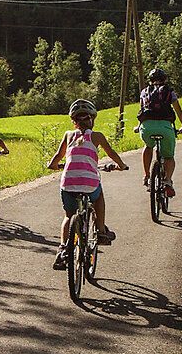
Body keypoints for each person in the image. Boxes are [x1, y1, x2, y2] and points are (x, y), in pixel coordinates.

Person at [46, 98, 124, 269]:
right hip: (89, 184)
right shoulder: (97, 136)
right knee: (99, 196)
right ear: (92, 119)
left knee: (68, 216)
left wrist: (54, 166)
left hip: (68, 184)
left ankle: (62, 249)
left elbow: (57, 158)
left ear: (74, 122)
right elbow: (112, 154)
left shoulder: (68, 135)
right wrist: (121, 165)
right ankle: (101, 231)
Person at [136, 66, 182, 197]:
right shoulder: (169, 92)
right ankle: (167, 182)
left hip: (146, 128)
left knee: (148, 146)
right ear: (165, 79)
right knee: (169, 157)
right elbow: (178, 111)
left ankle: (147, 176)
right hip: (165, 128)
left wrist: (138, 127)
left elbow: (142, 111)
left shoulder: (144, 92)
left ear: (150, 80)